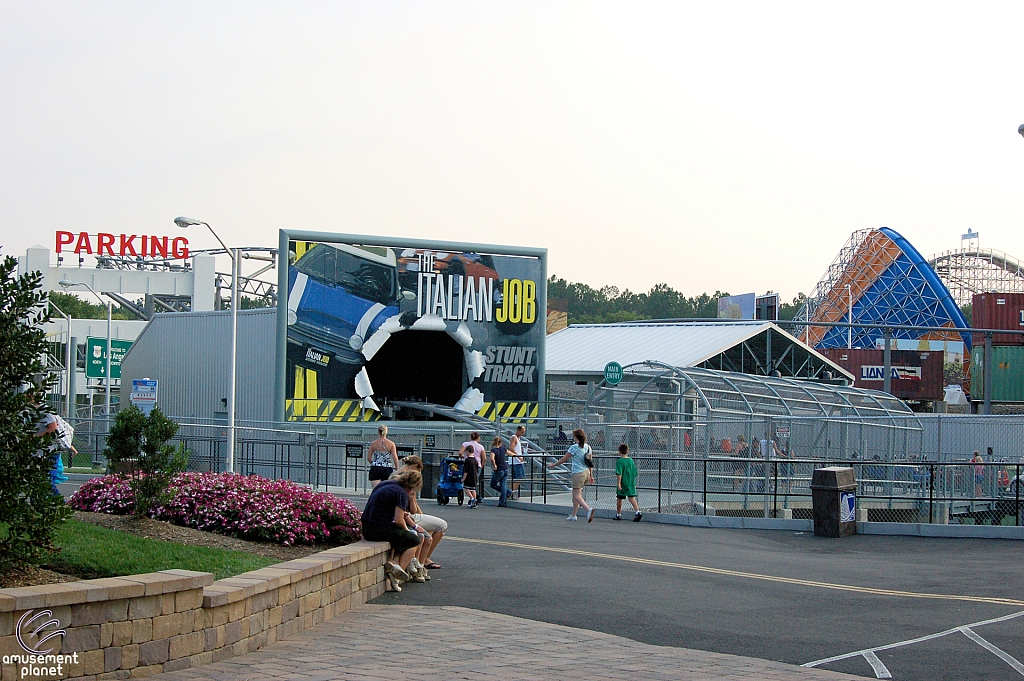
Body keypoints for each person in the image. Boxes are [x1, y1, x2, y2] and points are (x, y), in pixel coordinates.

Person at [361, 470, 423, 592]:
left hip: (367, 527)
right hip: (379, 529)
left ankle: (394, 562)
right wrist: (407, 531)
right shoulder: (401, 494)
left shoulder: (384, 484)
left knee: (402, 539)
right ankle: (397, 573)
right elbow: (399, 520)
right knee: (414, 540)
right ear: (412, 487)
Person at [392, 456, 447, 572]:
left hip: (407, 514)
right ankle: (425, 559)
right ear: (415, 467)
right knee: (442, 526)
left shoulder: (396, 474)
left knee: (429, 529)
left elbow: (414, 505)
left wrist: (422, 516)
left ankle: (421, 560)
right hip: (406, 515)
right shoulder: (407, 477)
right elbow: (412, 508)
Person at [548, 428, 595, 522]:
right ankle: (574, 515)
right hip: (586, 472)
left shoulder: (574, 447)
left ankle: (588, 509)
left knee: (577, 495)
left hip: (578, 473)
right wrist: (591, 475)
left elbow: (563, 459)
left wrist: (553, 465)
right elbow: (590, 462)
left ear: (576, 437)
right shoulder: (588, 447)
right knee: (576, 494)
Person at [35, 410, 74, 494]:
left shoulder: (45, 412)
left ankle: (59, 502)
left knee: (47, 482)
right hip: (41, 452)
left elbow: (53, 429)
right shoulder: (31, 412)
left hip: (50, 452)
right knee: (41, 481)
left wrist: (35, 437)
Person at [614, 444, 641, 522]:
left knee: (619, 498)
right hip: (630, 482)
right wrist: (633, 482)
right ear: (627, 451)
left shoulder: (619, 461)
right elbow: (634, 472)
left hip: (623, 482)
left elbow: (619, 473)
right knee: (631, 498)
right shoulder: (631, 460)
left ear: (619, 452)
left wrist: (618, 483)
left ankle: (618, 514)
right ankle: (637, 511)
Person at [367, 424, 399, 489]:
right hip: (387, 468)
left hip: (376, 468)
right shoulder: (391, 444)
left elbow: (369, 458)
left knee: (375, 488)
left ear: (378, 432)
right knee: (386, 488)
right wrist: (397, 468)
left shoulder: (373, 443)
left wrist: (374, 463)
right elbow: (395, 457)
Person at [459, 432, 484, 508]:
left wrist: (463, 456)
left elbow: (460, 453)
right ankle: (474, 500)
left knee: (466, 487)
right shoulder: (480, 447)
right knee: (473, 487)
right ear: (478, 438)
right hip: (477, 466)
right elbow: (484, 458)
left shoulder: (466, 444)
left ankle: (472, 499)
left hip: (468, 467)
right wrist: (481, 465)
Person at [508, 425, 528, 500]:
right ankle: (511, 492)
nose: (523, 433)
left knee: (515, 478)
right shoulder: (514, 437)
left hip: (516, 461)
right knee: (520, 477)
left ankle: (511, 492)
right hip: (516, 461)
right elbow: (511, 448)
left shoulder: (518, 438)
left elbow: (515, 448)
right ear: (518, 430)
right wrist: (518, 456)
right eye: (522, 432)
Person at [489, 436, 509, 507]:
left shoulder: (493, 450)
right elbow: (509, 453)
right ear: (501, 442)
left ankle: (508, 492)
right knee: (503, 485)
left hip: (499, 470)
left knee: (493, 484)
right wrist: (518, 456)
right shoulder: (503, 448)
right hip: (505, 468)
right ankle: (503, 501)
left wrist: (494, 465)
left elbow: (492, 458)